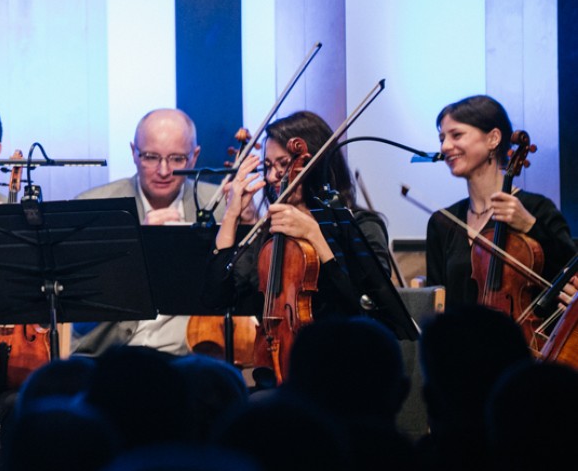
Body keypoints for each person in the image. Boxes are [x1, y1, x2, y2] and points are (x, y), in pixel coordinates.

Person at [210, 110, 405, 358]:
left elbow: (367, 305)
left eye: (283, 164)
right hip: (274, 361)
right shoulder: (269, 231)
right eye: (267, 166)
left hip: (343, 361)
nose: (272, 176)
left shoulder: (361, 225)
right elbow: (217, 297)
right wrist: (230, 216)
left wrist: (315, 235)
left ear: (314, 164)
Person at [72, 108, 219, 355]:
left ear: (194, 157)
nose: (164, 171)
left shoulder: (218, 204)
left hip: (188, 359)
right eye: (151, 157)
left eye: (177, 159)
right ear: (133, 152)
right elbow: (79, 306)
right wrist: (136, 246)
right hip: (111, 355)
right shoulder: (93, 206)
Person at [425, 94, 575, 315]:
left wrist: (531, 227)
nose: (446, 146)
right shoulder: (442, 222)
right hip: (459, 337)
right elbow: (436, 303)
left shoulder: (537, 209)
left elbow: (569, 273)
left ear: (493, 139)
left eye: (456, 135)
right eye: (442, 138)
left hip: (523, 336)